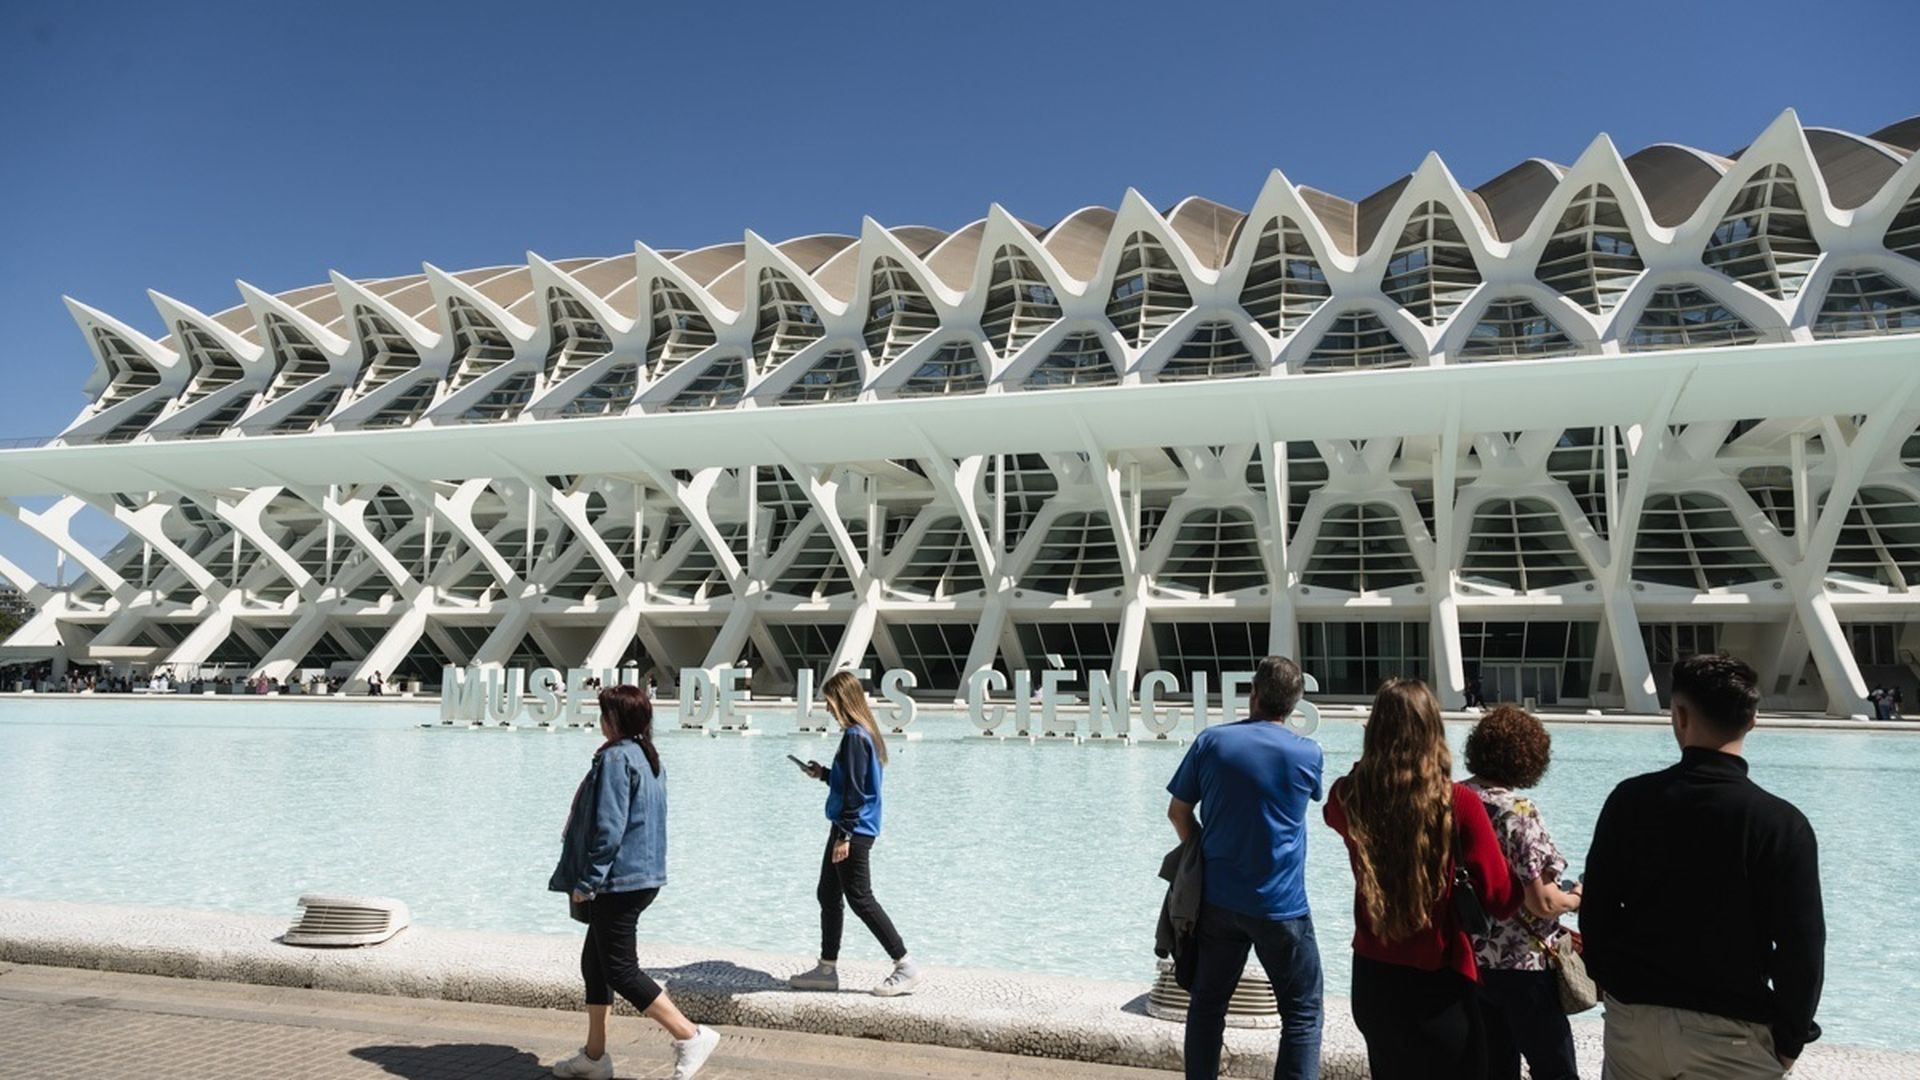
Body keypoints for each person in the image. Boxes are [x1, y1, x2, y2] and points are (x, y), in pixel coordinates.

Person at [1582, 654, 1824, 1079]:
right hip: (1731, 1029)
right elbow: (1801, 949)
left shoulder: (1628, 801)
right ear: (1752, 720)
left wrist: (1616, 987)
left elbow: (1596, 913)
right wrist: (1790, 1041)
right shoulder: (1782, 824)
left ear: (1679, 716)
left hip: (1636, 1021)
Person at [1324, 679, 1519, 1080]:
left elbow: (1334, 809)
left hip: (1373, 980)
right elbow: (1502, 898)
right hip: (1439, 984)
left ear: (1374, 731)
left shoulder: (1348, 796)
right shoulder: (1458, 803)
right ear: (1433, 731)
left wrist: (1371, 760)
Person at [548, 685, 720, 1080]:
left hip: (618, 879)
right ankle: (594, 1056)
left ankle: (690, 1035)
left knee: (621, 970)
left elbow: (609, 827)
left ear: (614, 719)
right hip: (642, 875)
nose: (599, 720)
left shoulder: (615, 758)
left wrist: (588, 880)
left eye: (603, 713)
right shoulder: (647, 756)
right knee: (595, 964)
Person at [1166, 656, 1325, 1080]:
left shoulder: (1211, 742)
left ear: (1252, 693)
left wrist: (1201, 849)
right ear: (1293, 705)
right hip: (1280, 906)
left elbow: (1178, 813)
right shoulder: (1307, 753)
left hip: (1217, 901)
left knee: (1207, 1005)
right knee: (1302, 1013)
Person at [1462, 706, 1582, 1080]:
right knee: (1556, 1070)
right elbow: (1543, 901)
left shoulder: (1454, 798)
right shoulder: (1516, 810)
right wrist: (1577, 897)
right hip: (1522, 965)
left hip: (1470, 959)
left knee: (1494, 1069)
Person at [788, 670, 920, 996]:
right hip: (848, 826)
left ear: (841, 701)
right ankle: (826, 968)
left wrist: (844, 836)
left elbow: (857, 794)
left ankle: (905, 966)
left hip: (853, 829)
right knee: (828, 894)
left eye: (829, 702)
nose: (827, 709)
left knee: (860, 898)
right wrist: (823, 774)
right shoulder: (862, 734)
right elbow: (851, 781)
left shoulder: (855, 737)